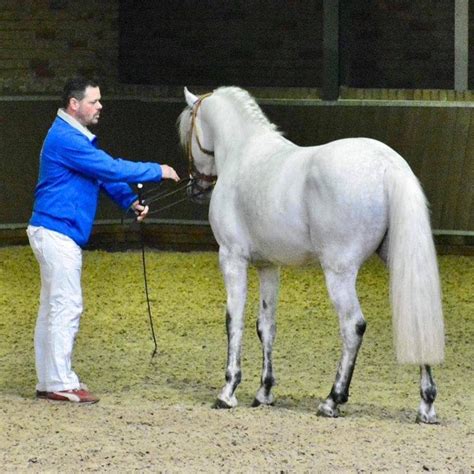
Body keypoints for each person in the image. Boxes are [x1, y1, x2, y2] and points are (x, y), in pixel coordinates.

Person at [27, 77, 180, 404]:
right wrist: (158, 170)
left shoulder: (72, 137)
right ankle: (59, 382)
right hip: (58, 231)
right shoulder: (67, 139)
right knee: (66, 305)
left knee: (52, 308)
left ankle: (49, 379)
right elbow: (109, 168)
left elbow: (98, 174)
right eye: (93, 101)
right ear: (74, 104)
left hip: (53, 229)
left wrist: (128, 200)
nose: (100, 106)